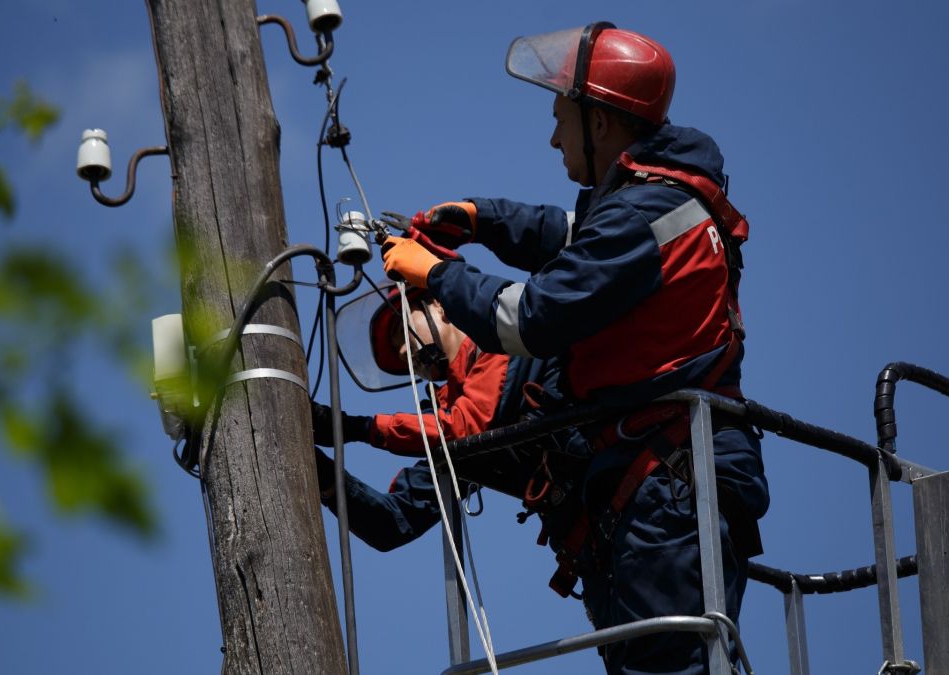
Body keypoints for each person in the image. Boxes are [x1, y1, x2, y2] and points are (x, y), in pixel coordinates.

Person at [381, 23, 769, 675]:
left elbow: (526, 318)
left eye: (561, 119)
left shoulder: (639, 217)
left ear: (601, 122)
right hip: (668, 487)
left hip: (666, 491)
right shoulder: (656, 203)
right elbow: (565, 234)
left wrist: (437, 274)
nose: (554, 138)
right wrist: (479, 217)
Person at [312, 283, 585, 552]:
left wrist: (358, 428)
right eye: (397, 349)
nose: (403, 352)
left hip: (607, 489)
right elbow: (393, 522)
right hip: (590, 546)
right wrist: (321, 472)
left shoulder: (502, 336)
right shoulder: (448, 416)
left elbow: (467, 425)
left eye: (402, 329)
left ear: (440, 305)